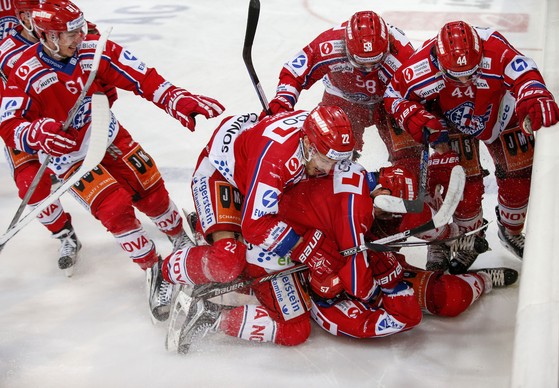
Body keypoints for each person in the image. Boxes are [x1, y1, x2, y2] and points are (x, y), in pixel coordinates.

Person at [0, 0, 225, 321]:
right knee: (115, 208)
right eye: (70, 33)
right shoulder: (23, 70)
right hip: (69, 156)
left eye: (80, 29)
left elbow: (142, 77)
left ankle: (179, 239)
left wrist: (175, 97)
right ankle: (153, 269)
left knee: (152, 189)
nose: (80, 36)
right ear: (47, 36)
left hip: (104, 131)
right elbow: (9, 124)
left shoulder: (93, 49)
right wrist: (36, 132)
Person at [168, 162, 517, 351]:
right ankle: (193, 278)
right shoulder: (355, 219)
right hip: (306, 267)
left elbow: (412, 225)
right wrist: (382, 275)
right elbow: (356, 285)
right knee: (290, 325)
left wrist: (436, 238)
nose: (390, 220)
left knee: (449, 297)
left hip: (342, 262)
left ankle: (483, 280)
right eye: (388, 213)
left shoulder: (372, 197)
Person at [160, 106, 355, 351]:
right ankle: (165, 271)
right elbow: (256, 226)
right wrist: (304, 248)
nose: (329, 169)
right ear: (307, 143)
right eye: (326, 161)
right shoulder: (277, 160)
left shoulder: (321, 138)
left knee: (295, 329)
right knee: (228, 260)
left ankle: (214, 308)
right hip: (224, 176)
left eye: (337, 161)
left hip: (258, 181)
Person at [384, 20, 559, 268]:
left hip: (501, 111)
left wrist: (534, 92)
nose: (467, 80)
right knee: (461, 188)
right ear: (438, 63)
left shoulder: (495, 47)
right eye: (457, 76)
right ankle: (467, 239)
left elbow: (524, 71)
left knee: (520, 178)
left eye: (472, 72)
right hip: (450, 125)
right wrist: (412, 115)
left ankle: (510, 230)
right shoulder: (420, 66)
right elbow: (393, 94)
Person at [265, 10, 423, 170]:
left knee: (410, 157)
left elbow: (419, 93)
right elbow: (295, 71)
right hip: (342, 99)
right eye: (361, 63)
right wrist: (282, 102)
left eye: (375, 62)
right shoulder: (330, 44)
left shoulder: (403, 55)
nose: (368, 69)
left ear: (388, 47)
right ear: (346, 48)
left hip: (388, 101)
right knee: (325, 149)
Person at [0, 0, 85, 276]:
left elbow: (85, 40)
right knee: (30, 185)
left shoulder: (50, 18)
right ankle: (64, 235)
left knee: (109, 169)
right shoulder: (6, 52)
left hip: (65, 114)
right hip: (22, 119)